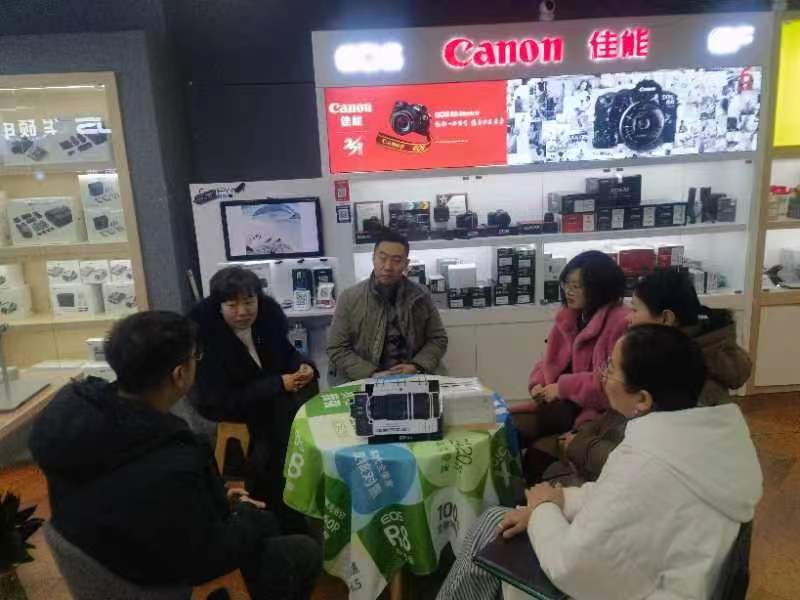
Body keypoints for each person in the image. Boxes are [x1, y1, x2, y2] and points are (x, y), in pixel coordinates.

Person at [438, 325, 762, 600]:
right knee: (499, 521)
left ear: (643, 398)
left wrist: (542, 509)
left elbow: (572, 566)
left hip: (633, 585)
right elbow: (616, 497)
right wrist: (560, 499)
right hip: (680, 576)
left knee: (491, 528)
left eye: (612, 368)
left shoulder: (648, 463)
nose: (603, 374)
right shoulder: (702, 437)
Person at [29, 311, 322, 599]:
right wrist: (251, 517)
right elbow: (205, 558)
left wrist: (216, 501)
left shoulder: (76, 420)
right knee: (300, 551)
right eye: (196, 357)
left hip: (111, 549)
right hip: (155, 575)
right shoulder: (170, 462)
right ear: (180, 375)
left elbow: (145, 502)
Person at [544, 268, 753, 485]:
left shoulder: (689, 378)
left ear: (666, 318)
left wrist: (581, 446)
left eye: (635, 310)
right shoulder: (662, 356)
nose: (628, 318)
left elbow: (646, 466)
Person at [189, 266, 317, 532]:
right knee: (278, 439)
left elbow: (287, 354)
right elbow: (216, 400)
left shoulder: (267, 322)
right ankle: (284, 514)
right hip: (234, 417)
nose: (242, 312)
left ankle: (298, 501)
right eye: (232, 305)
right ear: (218, 306)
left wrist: (304, 366)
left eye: (249, 302)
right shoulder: (205, 341)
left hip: (273, 408)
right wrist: (277, 384)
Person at [510, 250, 629, 482]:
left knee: (538, 455)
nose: (569, 291)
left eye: (577, 286)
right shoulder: (569, 317)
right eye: (566, 284)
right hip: (558, 407)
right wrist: (538, 384)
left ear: (600, 288)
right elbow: (549, 361)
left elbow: (610, 384)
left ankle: (532, 498)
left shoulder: (620, 322)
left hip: (595, 414)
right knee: (507, 430)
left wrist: (563, 388)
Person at [327, 229, 448, 381]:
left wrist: (416, 366)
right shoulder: (350, 298)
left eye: (396, 260)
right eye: (382, 258)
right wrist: (371, 373)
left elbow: (438, 339)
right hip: (365, 379)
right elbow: (336, 347)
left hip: (412, 376)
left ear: (406, 264)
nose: (388, 266)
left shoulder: (421, 296)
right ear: (373, 258)